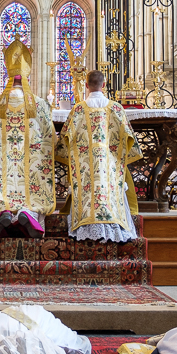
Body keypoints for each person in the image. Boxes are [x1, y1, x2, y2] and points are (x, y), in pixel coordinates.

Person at [0, 38, 56, 239]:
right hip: (29, 161)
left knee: (0, 177)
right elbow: (50, 138)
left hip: (2, 162)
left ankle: (3, 212)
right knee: (35, 175)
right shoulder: (40, 105)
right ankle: (27, 213)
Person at [55, 70, 142, 242]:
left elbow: (65, 138)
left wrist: (67, 155)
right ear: (104, 85)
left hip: (85, 164)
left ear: (86, 85)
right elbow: (130, 138)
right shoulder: (116, 108)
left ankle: (86, 225)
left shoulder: (78, 109)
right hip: (110, 163)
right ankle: (113, 223)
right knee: (110, 189)